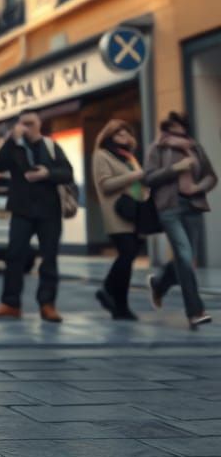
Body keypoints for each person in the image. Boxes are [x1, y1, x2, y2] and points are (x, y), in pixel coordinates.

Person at [0, 109, 74, 323]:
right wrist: (10, 140)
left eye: (30, 123)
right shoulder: (14, 146)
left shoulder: (51, 146)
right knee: (14, 256)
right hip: (22, 210)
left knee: (49, 259)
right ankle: (10, 304)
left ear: (39, 124)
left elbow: (68, 172)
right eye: (22, 123)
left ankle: (47, 305)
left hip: (49, 211)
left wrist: (48, 174)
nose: (26, 127)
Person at [144, 112, 216, 329]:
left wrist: (198, 187)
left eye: (181, 127)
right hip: (169, 208)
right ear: (166, 129)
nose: (177, 131)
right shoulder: (157, 148)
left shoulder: (195, 148)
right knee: (184, 256)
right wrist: (176, 168)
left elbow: (211, 176)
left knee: (187, 259)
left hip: (193, 206)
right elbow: (148, 177)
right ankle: (195, 312)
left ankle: (158, 283)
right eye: (172, 127)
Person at [91, 120, 148, 321]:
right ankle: (116, 300)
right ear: (109, 136)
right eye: (119, 134)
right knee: (126, 255)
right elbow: (106, 184)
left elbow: (139, 182)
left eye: (127, 134)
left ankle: (114, 301)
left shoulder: (129, 157)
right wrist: (136, 175)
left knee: (129, 257)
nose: (124, 137)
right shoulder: (102, 155)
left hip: (135, 213)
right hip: (117, 213)